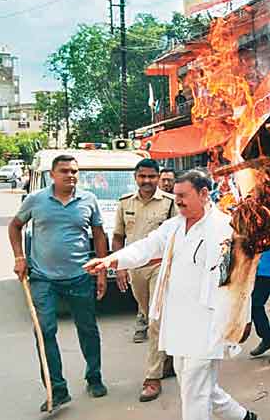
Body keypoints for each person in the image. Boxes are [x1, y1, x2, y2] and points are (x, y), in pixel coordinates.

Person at [83, 170, 259, 420]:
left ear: (204, 194)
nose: (177, 201)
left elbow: (241, 277)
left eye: (183, 195)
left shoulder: (224, 228)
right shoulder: (174, 226)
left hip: (208, 320)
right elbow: (146, 246)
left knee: (194, 390)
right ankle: (241, 416)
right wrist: (112, 260)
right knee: (189, 378)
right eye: (175, 195)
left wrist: (242, 318)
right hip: (177, 317)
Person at [7, 154, 109, 411]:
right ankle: (57, 389)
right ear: (52, 174)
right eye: (64, 171)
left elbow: (99, 235)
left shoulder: (89, 200)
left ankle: (94, 377)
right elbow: (15, 226)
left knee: (87, 329)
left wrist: (100, 269)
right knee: (44, 331)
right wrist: (20, 257)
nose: (70, 175)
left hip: (80, 276)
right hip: (43, 279)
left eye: (74, 171)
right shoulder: (37, 200)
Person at [112, 158, 176, 402]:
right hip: (134, 269)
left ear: (159, 177)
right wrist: (119, 266)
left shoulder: (170, 203)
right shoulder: (125, 203)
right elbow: (118, 237)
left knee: (155, 320)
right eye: (143, 176)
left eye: (152, 176)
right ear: (135, 177)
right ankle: (168, 358)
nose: (147, 181)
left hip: (160, 268)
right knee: (151, 314)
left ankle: (152, 378)